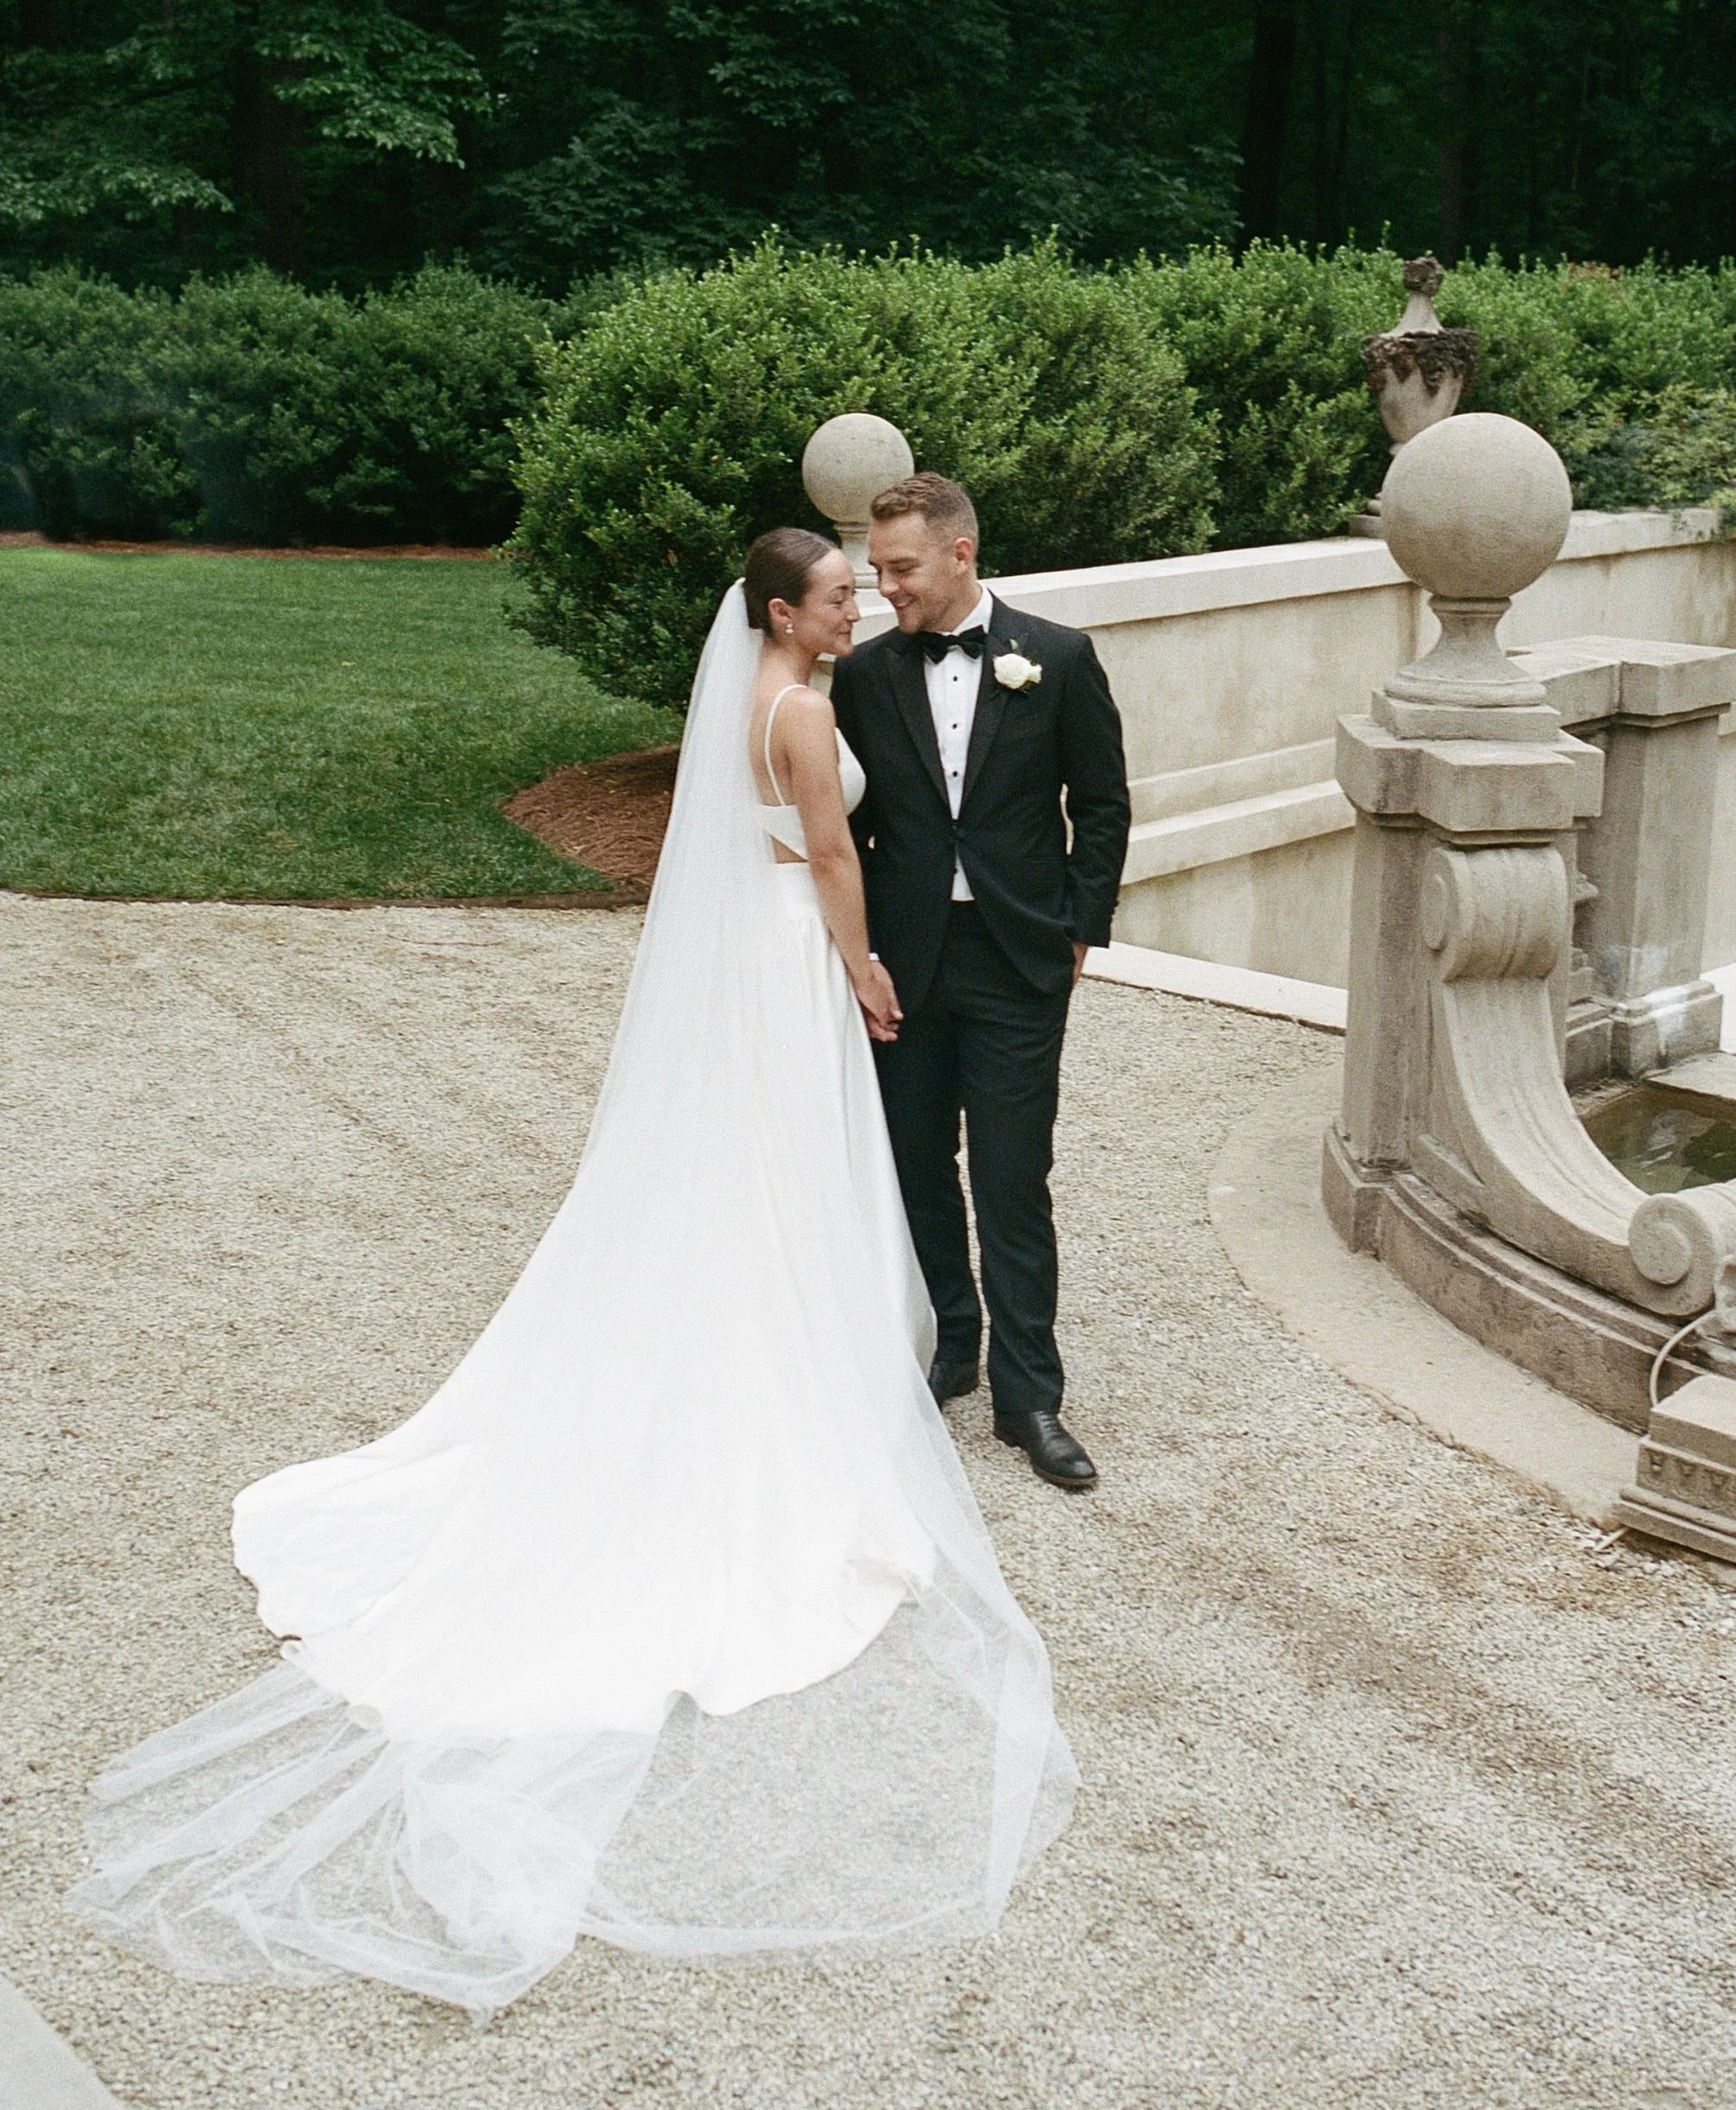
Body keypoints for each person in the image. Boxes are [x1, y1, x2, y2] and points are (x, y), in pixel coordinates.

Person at [68, 532, 1074, 2013]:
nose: (860, 602)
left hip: (758, 954)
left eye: (871, 586)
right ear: (783, 615)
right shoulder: (801, 710)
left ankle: (783, 1345)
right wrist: (864, 965)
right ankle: (791, 1383)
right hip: (802, 950)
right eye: (837, 593)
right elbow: (838, 848)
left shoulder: (772, 692)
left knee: (754, 1180)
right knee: (793, 1177)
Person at [830, 474, 1131, 1491]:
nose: (886, 591)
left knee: (1011, 1178)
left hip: (1017, 961)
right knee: (917, 1164)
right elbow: (849, 827)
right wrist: (858, 950)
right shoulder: (867, 676)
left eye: (902, 569)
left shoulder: (1058, 658)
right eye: (876, 573)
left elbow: (1101, 804)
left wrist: (1080, 929)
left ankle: (1030, 1396)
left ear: (960, 554)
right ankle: (951, 1341)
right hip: (906, 962)